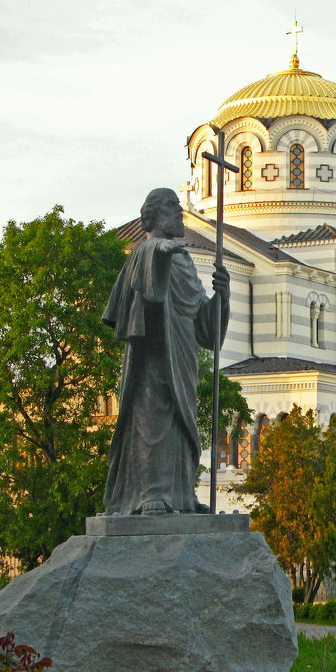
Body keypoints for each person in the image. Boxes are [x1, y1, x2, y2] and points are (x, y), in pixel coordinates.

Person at [101, 187, 230, 515]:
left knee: (180, 423)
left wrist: (222, 298)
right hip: (155, 351)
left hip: (183, 353)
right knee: (152, 420)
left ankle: (181, 497)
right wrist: (159, 248)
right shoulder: (144, 251)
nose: (180, 214)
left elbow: (203, 321)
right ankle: (149, 496)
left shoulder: (183, 260)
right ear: (155, 214)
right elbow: (147, 285)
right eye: (173, 208)